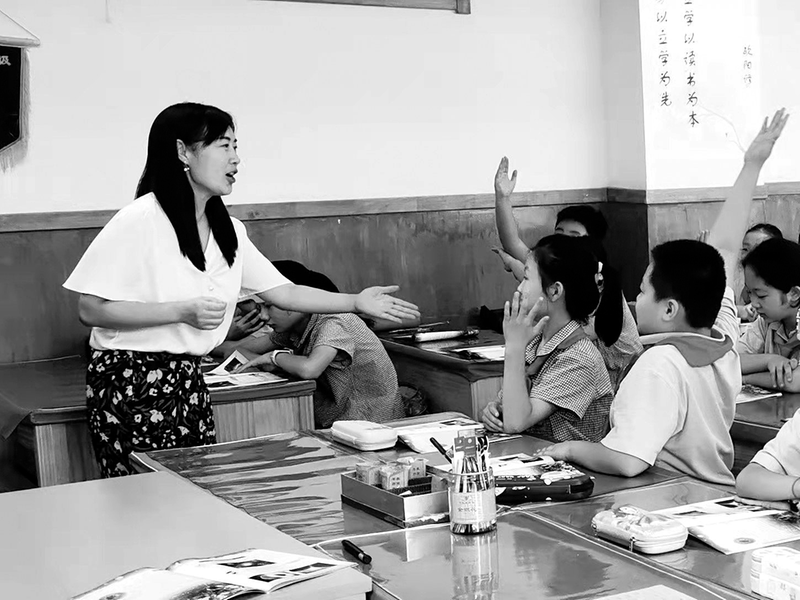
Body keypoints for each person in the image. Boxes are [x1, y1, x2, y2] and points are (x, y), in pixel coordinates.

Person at [63, 102, 419, 477]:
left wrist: (355, 301)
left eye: (236, 146)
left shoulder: (229, 230)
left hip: (187, 378)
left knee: (193, 488)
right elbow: (91, 309)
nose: (236, 159)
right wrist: (180, 311)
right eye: (223, 146)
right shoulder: (139, 219)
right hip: (129, 379)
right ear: (183, 151)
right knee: (142, 495)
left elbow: (284, 293)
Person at [533, 109, 789, 485]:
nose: (637, 299)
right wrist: (752, 165)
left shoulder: (661, 363)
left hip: (670, 494)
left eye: (643, 291)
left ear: (670, 308)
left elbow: (627, 460)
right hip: (716, 489)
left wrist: (570, 449)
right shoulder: (722, 341)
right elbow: (724, 250)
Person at [493, 157, 642, 389]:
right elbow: (512, 243)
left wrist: (516, 267)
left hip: (622, 380)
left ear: (592, 244)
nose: (564, 242)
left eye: (574, 237)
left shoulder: (597, 281)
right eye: (559, 233)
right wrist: (502, 198)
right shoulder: (554, 264)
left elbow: (579, 330)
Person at [235, 261, 405, 428]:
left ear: (296, 303)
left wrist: (274, 358)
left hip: (373, 424)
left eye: (270, 307)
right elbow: (238, 350)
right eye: (260, 308)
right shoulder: (294, 327)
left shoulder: (335, 322)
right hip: (340, 422)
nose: (263, 316)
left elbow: (310, 369)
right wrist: (226, 337)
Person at [480, 235, 615, 442]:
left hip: (563, 462)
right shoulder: (535, 343)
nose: (519, 288)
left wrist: (514, 347)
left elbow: (516, 423)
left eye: (526, 278)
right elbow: (511, 411)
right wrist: (495, 412)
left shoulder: (580, 358)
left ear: (554, 291)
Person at [737, 237, 800, 390]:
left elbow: (794, 381)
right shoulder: (766, 321)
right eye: (750, 293)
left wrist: (744, 379)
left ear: (794, 294)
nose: (754, 303)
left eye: (761, 295)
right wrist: (770, 359)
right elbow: (730, 361)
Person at [734, 223, 783, 321]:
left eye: (758, 249)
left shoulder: (781, 284)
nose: (749, 256)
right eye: (745, 249)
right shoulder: (746, 285)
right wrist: (739, 310)